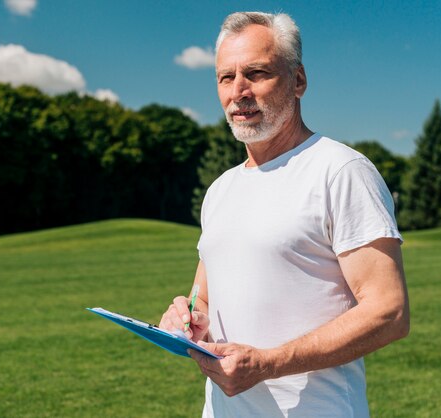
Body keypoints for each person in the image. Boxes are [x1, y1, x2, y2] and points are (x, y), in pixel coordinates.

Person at [159, 11, 409, 417]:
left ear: (298, 80)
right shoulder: (221, 189)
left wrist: (268, 363)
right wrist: (187, 318)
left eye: (256, 73)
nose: (239, 91)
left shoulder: (340, 171)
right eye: (226, 77)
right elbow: (202, 296)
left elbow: (389, 312)